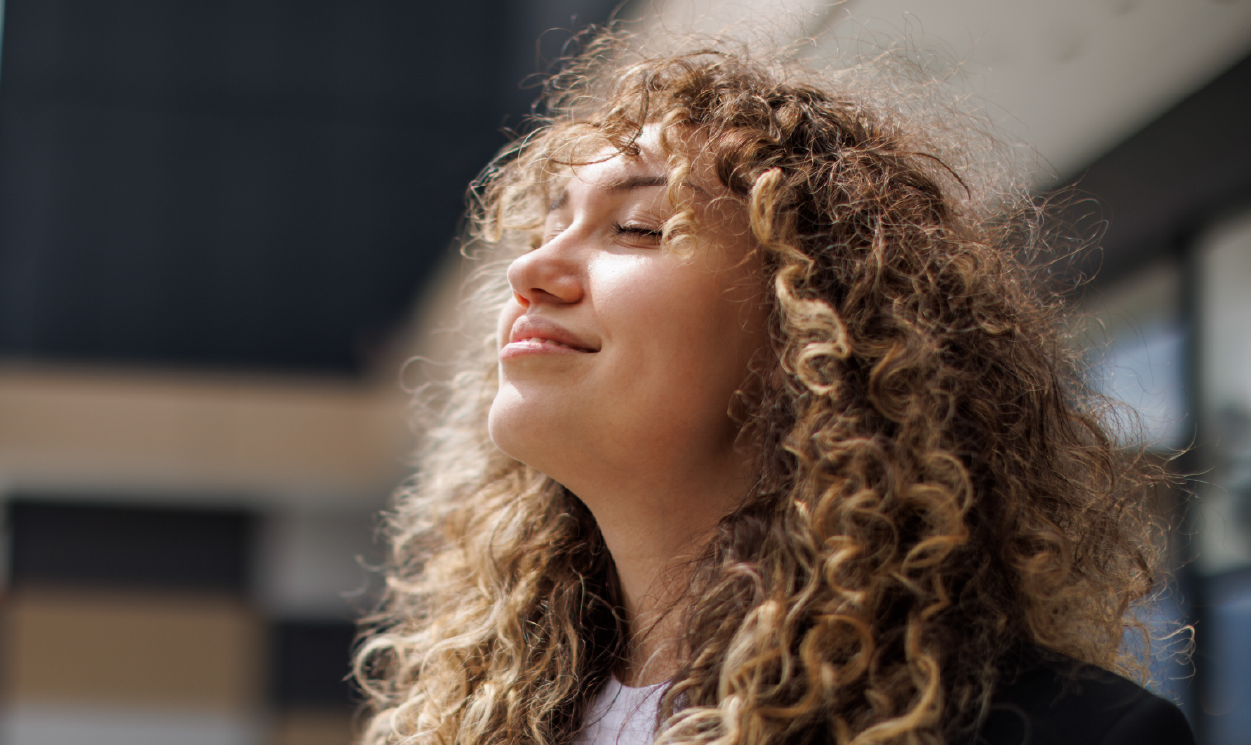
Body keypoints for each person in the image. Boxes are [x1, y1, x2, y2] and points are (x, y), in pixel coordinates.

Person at [353, 33, 1194, 745]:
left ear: (814, 322)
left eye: (639, 227)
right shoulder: (467, 718)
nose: (531, 269)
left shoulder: (1074, 731)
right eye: (544, 228)